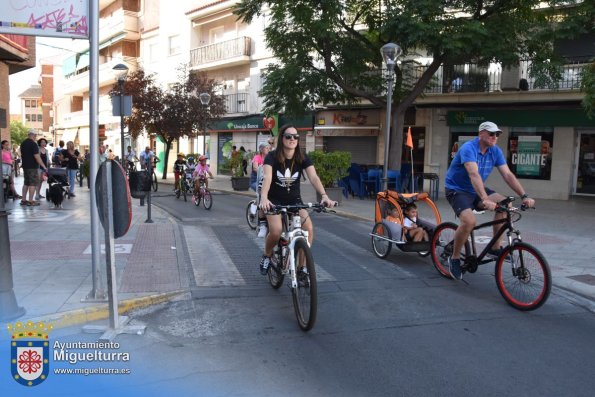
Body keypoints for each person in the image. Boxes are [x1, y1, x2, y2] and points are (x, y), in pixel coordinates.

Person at [444, 121, 535, 280]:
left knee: (506, 204)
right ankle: (455, 258)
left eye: (497, 134)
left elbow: (507, 175)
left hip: (476, 189)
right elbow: (474, 174)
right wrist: (485, 199)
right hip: (457, 189)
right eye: (491, 134)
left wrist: (524, 195)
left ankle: (494, 248)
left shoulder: (495, 151)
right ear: (481, 134)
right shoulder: (468, 148)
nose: (495, 137)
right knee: (469, 222)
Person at [258, 124, 336, 275]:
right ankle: (267, 255)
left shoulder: (302, 157)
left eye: (296, 136)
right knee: (276, 231)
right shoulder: (271, 156)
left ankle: (302, 268)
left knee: (309, 229)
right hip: (274, 200)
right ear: (282, 138)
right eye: (288, 136)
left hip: (295, 200)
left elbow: (313, 177)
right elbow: (267, 177)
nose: (292, 139)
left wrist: (324, 195)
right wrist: (264, 198)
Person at [19, 130, 48, 206]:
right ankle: (31, 201)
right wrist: (44, 166)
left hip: (25, 166)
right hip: (32, 166)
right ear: (33, 135)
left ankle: (24, 200)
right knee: (33, 184)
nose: (36, 137)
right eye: (35, 135)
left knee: (26, 183)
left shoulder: (23, 143)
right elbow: (37, 157)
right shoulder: (33, 144)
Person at [251, 143, 270, 237]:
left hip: (265, 179)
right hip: (256, 180)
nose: (268, 149)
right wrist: (260, 169)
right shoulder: (257, 157)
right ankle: (254, 209)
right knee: (260, 194)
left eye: (268, 148)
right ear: (261, 149)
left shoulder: (270, 158)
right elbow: (255, 167)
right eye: (266, 148)